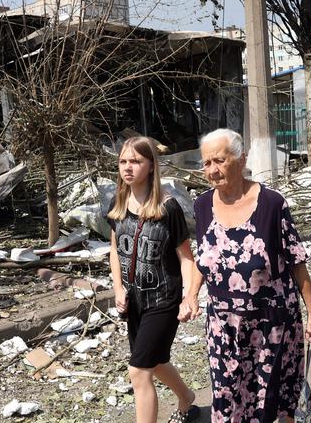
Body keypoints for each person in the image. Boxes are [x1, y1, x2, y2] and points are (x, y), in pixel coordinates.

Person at [180, 128, 311, 423]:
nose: (212, 170)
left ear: (241, 158)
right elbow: (203, 260)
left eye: (219, 160)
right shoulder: (202, 205)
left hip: (271, 325)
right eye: (206, 163)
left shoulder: (272, 204)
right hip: (223, 328)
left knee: (271, 400)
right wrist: (191, 296)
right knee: (228, 397)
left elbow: (296, 260)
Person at [107, 136, 200, 423]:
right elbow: (114, 250)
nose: (128, 167)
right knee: (155, 361)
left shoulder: (167, 208)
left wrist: (189, 297)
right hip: (134, 301)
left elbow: (186, 258)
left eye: (135, 161)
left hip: (163, 299)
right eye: (123, 161)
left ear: (150, 166)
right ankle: (187, 398)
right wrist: (118, 288)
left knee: (138, 370)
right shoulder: (118, 203)